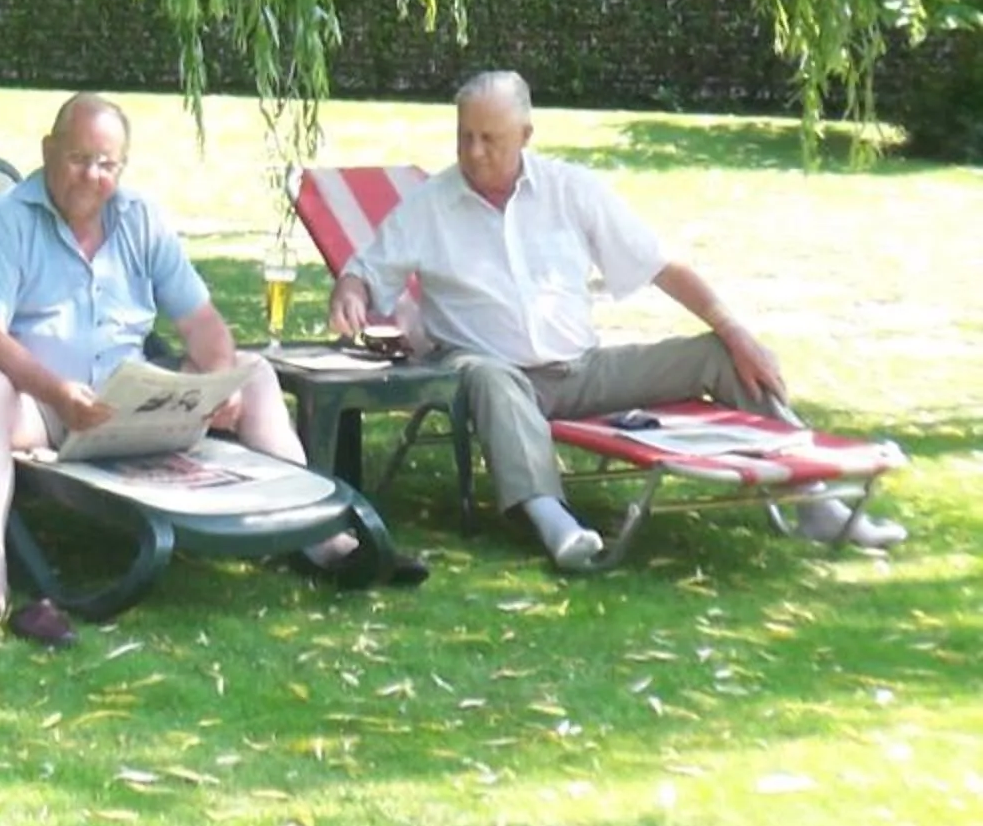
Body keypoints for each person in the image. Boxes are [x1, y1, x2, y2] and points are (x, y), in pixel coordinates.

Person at [324, 69, 904, 571]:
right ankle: (553, 520)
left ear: (525, 136)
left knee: (717, 355)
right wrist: (351, 294)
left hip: (583, 371)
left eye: (489, 139)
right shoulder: (431, 204)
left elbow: (660, 265)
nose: (474, 152)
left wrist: (735, 332)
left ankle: (817, 501)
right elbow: (365, 271)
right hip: (492, 375)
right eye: (464, 136)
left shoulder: (569, 189)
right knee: (489, 374)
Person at [0, 93, 427, 648]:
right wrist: (57, 393)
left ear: (123, 166)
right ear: (48, 150)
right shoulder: (6, 219)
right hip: (42, 407)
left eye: (107, 164)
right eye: (79, 158)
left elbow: (201, 322)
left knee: (253, 372)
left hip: (127, 401)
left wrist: (218, 381)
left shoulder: (139, 217)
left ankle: (316, 536)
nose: (93, 176)